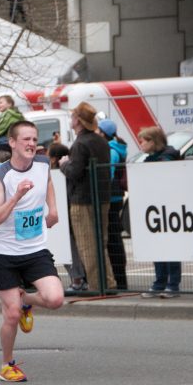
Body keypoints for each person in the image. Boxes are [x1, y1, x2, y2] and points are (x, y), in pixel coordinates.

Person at [0, 121, 64, 382]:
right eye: (26, 139)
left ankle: (27, 298)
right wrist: (16, 197)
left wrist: (52, 209)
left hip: (34, 248)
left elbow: (48, 182)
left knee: (55, 299)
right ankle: (7, 365)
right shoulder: (0, 177)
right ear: (12, 143)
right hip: (3, 253)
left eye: (34, 139)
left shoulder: (42, 163)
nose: (31, 144)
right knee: (12, 314)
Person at [59, 102, 114, 291]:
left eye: (73, 117)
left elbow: (74, 172)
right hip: (102, 197)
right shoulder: (101, 141)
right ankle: (108, 283)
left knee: (87, 246)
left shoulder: (80, 144)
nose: (71, 120)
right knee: (101, 243)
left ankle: (97, 286)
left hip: (82, 200)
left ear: (78, 121)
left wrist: (64, 164)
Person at [137, 126, 182, 298]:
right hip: (155, 209)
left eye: (143, 141)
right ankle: (160, 282)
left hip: (170, 209)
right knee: (157, 246)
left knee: (171, 246)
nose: (140, 144)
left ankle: (173, 284)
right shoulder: (149, 160)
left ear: (152, 141)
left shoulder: (167, 157)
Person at [99, 119, 128, 291]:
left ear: (103, 133)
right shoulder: (117, 147)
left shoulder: (111, 150)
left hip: (111, 199)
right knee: (114, 238)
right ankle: (119, 278)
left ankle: (120, 280)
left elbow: (107, 175)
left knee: (112, 240)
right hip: (116, 198)